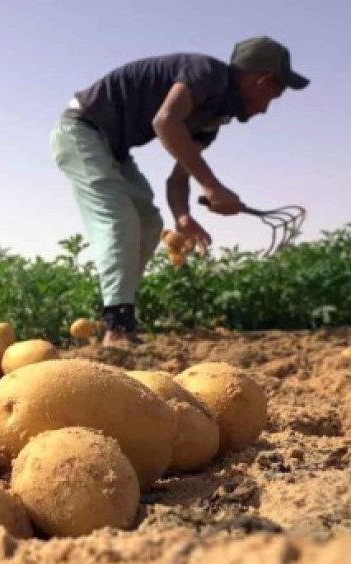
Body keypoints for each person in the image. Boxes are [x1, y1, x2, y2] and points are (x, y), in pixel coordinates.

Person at [50, 36, 308, 346]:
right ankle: (117, 327)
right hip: (82, 130)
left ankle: (119, 315)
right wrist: (212, 186)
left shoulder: (213, 119)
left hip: (114, 149)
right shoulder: (206, 73)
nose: (267, 109)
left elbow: (177, 180)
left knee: (148, 223)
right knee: (118, 219)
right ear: (261, 81)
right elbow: (165, 122)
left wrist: (183, 216)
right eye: (273, 97)